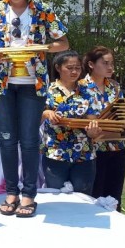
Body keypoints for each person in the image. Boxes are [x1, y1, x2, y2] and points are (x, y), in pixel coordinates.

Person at [0, 0, 69, 218]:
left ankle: (29, 194)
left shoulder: (42, 10)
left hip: (33, 83)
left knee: (29, 140)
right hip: (2, 83)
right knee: (7, 139)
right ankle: (11, 192)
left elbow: (63, 43)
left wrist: (40, 48)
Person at [81, 46, 125, 210]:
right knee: (93, 198)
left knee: (114, 198)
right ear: (91, 64)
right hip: (91, 150)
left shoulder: (115, 87)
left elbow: (121, 116)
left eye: (112, 63)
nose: (110, 67)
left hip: (117, 147)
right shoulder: (80, 87)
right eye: (105, 63)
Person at [41, 51, 103, 195]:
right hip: (55, 152)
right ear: (58, 67)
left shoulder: (88, 91)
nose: (74, 72)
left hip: (84, 154)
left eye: (77, 68)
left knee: (83, 198)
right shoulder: (47, 90)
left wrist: (93, 131)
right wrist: (46, 113)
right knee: (54, 196)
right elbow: (34, 118)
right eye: (69, 68)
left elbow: (93, 119)